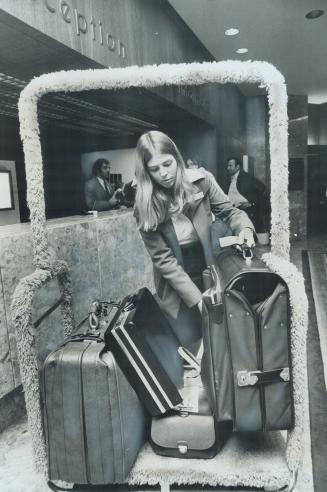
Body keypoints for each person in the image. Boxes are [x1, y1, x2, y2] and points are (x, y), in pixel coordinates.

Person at [134, 131, 255, 352]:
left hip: (208, 265)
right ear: (147, 172)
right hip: (174, 280)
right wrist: (197, 300)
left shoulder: (202, 181)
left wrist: (245, 228)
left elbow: (229, 212)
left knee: (219, 344)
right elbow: (164, 261)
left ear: (177, 159)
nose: (164, 173)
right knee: (189, 346)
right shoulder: (144, 203)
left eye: (167, 164)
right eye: (154, 169)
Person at [225, 157, 268, 232]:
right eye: (228, 165)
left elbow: (262, 187)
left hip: (243, 210)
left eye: (230, 166)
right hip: (232, 210)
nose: (228, 168)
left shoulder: (246, 177)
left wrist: (252, 203)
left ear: (237, 167)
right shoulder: (229, 179)